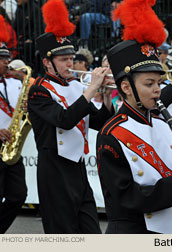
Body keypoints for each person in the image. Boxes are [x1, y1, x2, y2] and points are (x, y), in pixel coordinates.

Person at [96, 0, 172, 234]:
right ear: (126, 87)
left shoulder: (163, 122)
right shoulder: (111, 133)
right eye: (149, 83)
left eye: (158, 82)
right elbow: (124, 198)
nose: (158, 89)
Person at [27, 0, 115, 234]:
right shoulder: (39, 90)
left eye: (71, 57)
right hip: (54, 170)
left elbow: (99, 123)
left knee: (91, 233)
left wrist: (106, 95)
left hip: (78, 168)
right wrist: (91, 89)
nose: (70, 63)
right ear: (47, 62)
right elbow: (64, 120)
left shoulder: (76, 85)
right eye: (63, 59)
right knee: (62, 234)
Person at [0, 19, 27, 234]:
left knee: (18, 195)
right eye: (2, 59)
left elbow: (21, 109)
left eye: (7, 58)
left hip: (11, 147)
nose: (7, 62)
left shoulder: (15, 82)